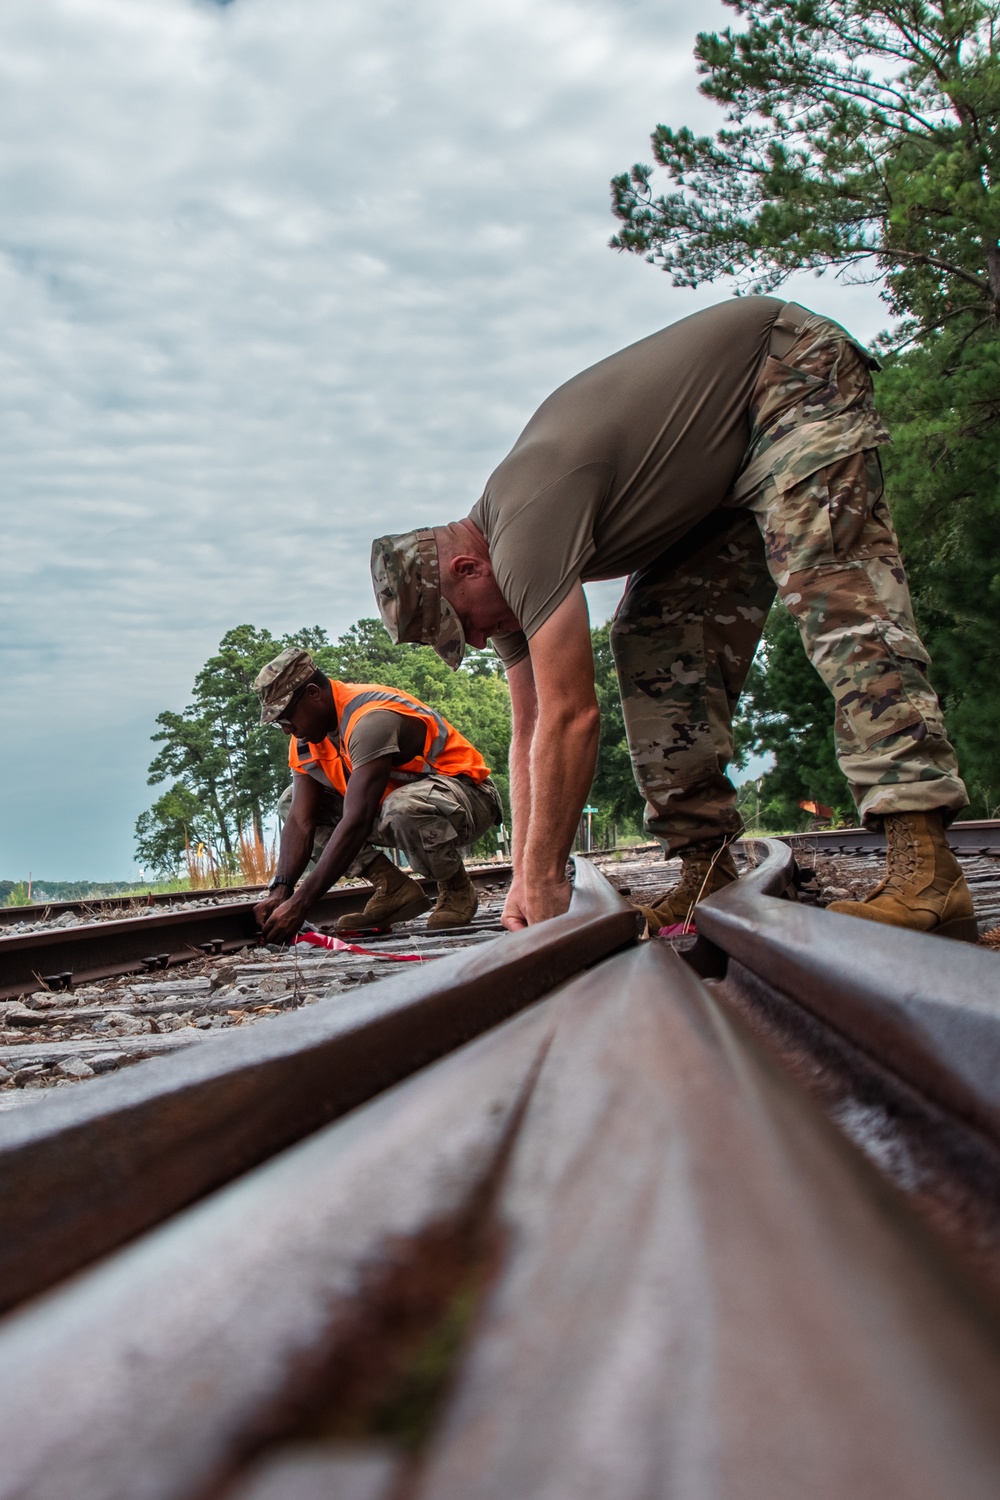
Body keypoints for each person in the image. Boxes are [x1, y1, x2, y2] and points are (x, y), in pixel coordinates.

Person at [369, 296, 976, 941]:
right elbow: (532, 726)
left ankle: (925, 867)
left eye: (469, 626)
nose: (485, 639)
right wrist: (523, 874)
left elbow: (573, 715)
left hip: (786, 377)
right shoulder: (496, 578)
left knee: (836, 593)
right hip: (715, 474)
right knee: (656, 641)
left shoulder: (522, 529)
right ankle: (705, 868)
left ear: (468, 568)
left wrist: (548, 878)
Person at [252, 648, 502, 944]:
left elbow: (356, 820)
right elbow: (299, 821)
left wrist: (303, 902)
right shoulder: (305, 741)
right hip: (394, 812)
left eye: (287, 716)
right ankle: (393, 888)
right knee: (290, 800)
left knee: (402, 807)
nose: (286, 730)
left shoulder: (369, 719)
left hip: (469, 798)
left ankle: (455, 887)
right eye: (280, 722)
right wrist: (281, 889)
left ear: (313, 693)